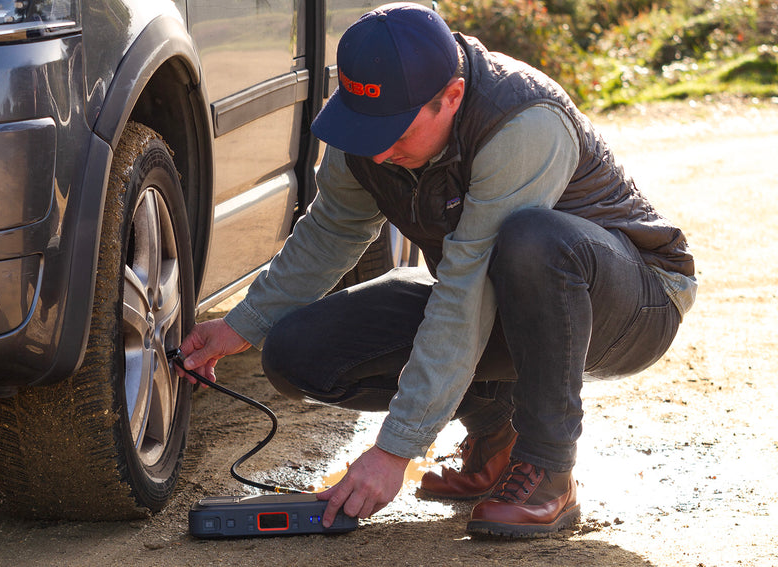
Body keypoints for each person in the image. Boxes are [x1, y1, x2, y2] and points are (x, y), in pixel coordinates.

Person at [177, 2, 695, 539]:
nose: (377, 155)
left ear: (451, 96)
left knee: (531, 241)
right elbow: (330, 230)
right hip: (500, 297)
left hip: (631, 302)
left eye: (396, 133)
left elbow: (467, 293)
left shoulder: (522, 123)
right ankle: (499, 436)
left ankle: (549, 468)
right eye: (366, 128)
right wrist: (242, 326)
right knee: (296, 352)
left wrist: (392, 451)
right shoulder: (367, 132)